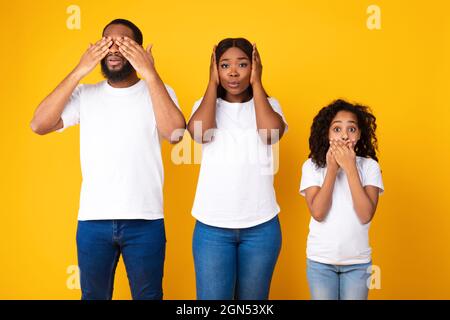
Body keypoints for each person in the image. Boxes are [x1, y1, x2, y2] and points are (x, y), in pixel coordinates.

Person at [30, 19, 186, 300]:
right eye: (106, 42)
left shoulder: (159, 91)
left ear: (138, 49)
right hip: (93, 221)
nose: (113, 49)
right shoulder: (85, 95)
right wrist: (80, 69)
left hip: (145, 220)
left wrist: (149, 72)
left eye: (123, 43)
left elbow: (175, 133)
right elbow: (39, 124)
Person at [187, 38, 288, 300]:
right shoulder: (205, 105)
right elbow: (201, 134)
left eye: (243, 64)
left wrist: (257, 84)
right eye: (224, 65)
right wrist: (211, 84)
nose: (233, 72)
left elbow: (269, 134)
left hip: (261, 227)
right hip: (212, 228)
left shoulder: (270, 106)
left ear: (255, 67)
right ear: (215, 69)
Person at [299, 99, 384, 300]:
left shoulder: (369, 167)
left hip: (358, 263)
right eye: (337, 129)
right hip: (320, 261)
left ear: (360, 134)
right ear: (326, 134)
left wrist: (350, 168)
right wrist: (332, 170)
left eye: (351, 129)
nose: (344, 135)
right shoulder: (311, 166)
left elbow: (365, 215)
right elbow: (318, 213)